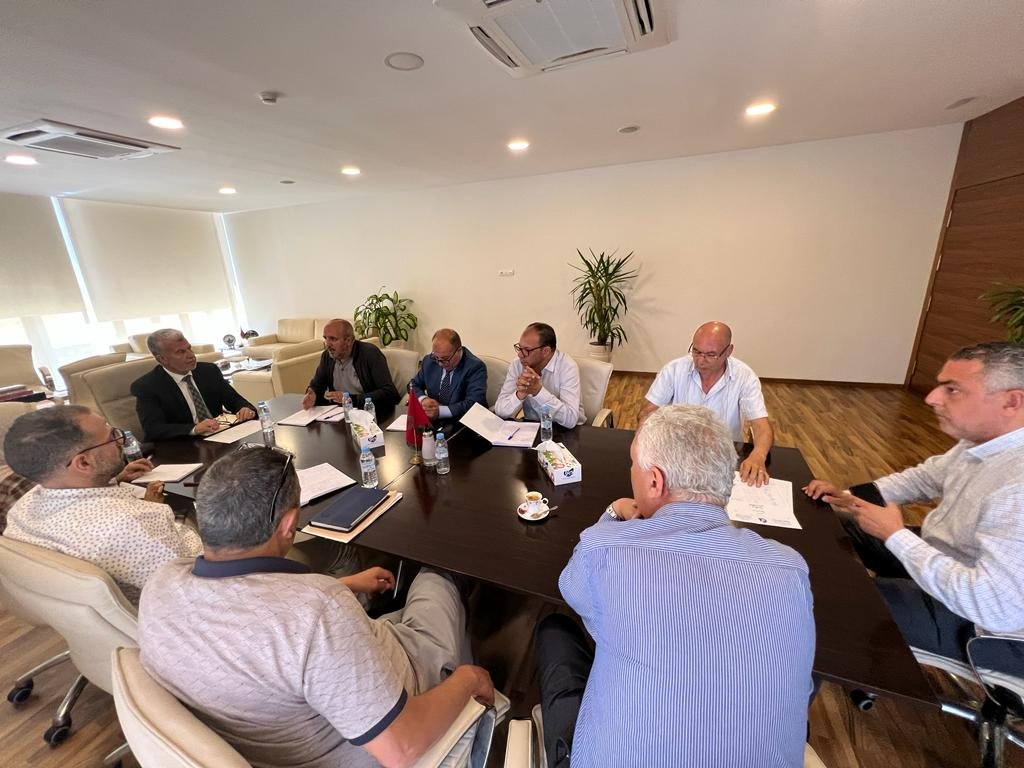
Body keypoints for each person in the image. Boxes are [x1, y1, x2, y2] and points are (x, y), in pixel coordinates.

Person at [138, 446, 494, 768]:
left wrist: (343, 585)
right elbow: (401, 749)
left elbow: (264, 617)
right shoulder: (318, 613)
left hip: (327, 691)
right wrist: (469, 678)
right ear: (288, 525)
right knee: (439, 574)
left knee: (406, 605)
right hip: (402, 697)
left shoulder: (161, 584)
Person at [535, 404, 814, 768]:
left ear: (655, 481)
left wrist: (613, 513)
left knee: (555, 629)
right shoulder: (790, 568)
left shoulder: (604, 549)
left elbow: (573, 588)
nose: (630, 471)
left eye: (632, 464)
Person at [804, 341, 1024, 662]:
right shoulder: (981, 443)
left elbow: (995, 605)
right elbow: (923, 479)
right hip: (940, 558)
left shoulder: (1017, 486)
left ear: (1011, 401)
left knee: (822, 603)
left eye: (952, 390)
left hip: (974, 624)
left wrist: (896, 536)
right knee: (829, 523)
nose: (932, 398)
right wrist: (848, 497)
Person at [2, 406, 201, 607]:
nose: (121, 442)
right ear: (84, 463)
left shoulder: (21, 508)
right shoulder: (129, 524)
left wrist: (113, 478)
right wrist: (153, 511)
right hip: (174, 604)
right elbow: (194, 586)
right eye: (112, 436)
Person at [640, 321, 774, 486]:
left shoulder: (744, 376)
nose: (700, 361)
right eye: (696, 351)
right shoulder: (674, 370)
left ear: (728, 351)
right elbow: (648, 412)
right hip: (678, 453)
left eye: (710, 355)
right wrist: (645, 451)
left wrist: (758, 455)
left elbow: (761, 425)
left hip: (725, 456)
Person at [131, 329, 256, 441]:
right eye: (180, 352)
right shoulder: (146, 386)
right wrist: (194, 429)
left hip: (221, 435)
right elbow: (153, 429)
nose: (191, 355)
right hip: (182, 445)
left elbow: (234, 400)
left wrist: (244, 408)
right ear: (162, 359)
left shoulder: (209, 371)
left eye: (189, 348)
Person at [494, 322, 584, 428]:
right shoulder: (517, 364)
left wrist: (538, 392)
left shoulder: (567, 367)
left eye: (526, 350)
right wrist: (520, 394)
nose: (520, 354)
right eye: (519, 348)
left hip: (568, 430)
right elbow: (500, 411)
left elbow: (570, 420)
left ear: (546, 351)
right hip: (533, 428)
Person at [302, 318, 399, 411]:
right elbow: (317, 385)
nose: (327, 344)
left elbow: (389, 393)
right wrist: (313, 394)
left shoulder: (370, 354)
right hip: (339, 414)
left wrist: (351, 399)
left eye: (333, 339)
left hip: (369, 413)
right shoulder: (327, 356)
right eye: (325, 338)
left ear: (348, 341)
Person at [409, 328, 487, 423]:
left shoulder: (475, 367)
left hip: (461, 422)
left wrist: (440, 411)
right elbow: (413, 384)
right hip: (434, 422)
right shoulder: (429, 361)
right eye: (436, 357)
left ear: (458, 351)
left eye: (445, 359)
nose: (440, 363)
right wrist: (423, 399)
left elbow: (475, 403)